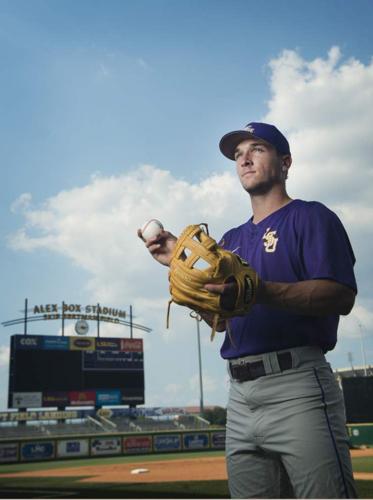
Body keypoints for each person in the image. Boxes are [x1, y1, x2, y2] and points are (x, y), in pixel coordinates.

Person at [138, 122, 357, 498]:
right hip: (239, 394)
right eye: (238, 155)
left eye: (256, 148)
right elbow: (221, 322)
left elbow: (340, 296)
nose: (244, 159)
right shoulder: (229, 242)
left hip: (298, 387)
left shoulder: (311, 217)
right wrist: (182, 265)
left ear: (285, 162)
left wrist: (257, 291)